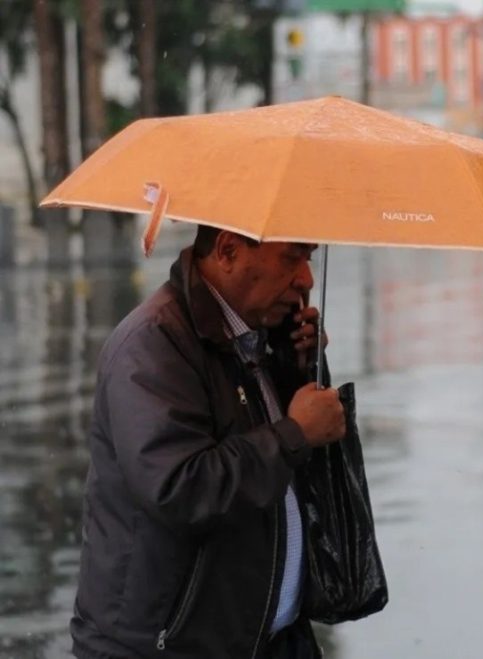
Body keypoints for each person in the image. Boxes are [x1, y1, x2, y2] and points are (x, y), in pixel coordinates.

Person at [71, 226, 346, 659]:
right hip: (167, 648)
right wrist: (294, 433)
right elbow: (181, 488)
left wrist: (297, 371)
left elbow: (279, 471)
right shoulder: (152, 345)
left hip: (269, 641)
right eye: (292, 258)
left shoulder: (255, 335)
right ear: (228, 251)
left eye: (310, 256)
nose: (306, 279)